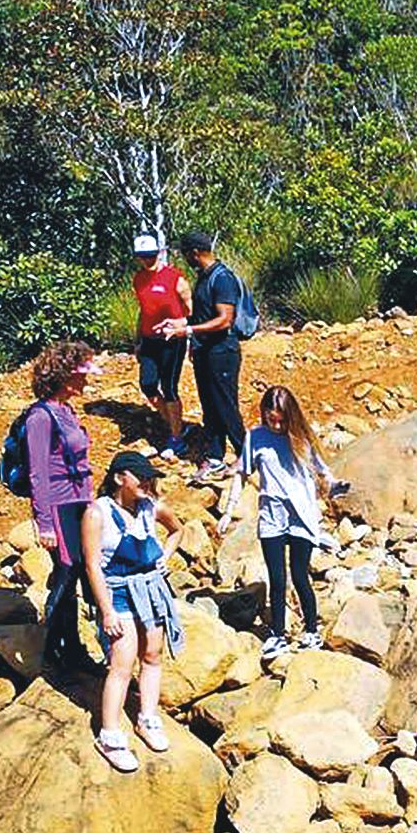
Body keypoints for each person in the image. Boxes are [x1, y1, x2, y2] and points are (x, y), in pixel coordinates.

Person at [81, 451, 184, 773]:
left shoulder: (151, 507)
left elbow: (177, 529)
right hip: (118, 592)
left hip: (150, 588)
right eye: (141, 476)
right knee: (122, 663)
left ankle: (147, 718)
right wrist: (107, 610)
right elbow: (92, 565)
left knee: (153, 654)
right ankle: (110, 734)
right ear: (119, 478)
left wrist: (165, 557)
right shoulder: (97, 513)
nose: (148, 483)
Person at [218, 385, 339, 658]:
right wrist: (228, 511)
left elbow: (323, 471)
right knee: (276, 577)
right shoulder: (255, 437)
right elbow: (241, 473)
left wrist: (334, 485)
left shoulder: (302, 437)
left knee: (299, 575)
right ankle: (278, 634)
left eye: (281, 420)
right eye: (270, 418)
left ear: (290, 417)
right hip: (272, 516)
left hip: (301, 516)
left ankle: (311, 629)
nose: (275, 425)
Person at [23, 341, 100, 675]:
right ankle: (56, 651)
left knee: (82, 571)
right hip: (59, 506)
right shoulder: (40, 417)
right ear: (66, 376)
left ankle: (75, 650)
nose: (86, 382)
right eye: (81, 375)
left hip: (79, 502)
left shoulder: (67, 411)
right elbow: (38, 471)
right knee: (67, 574)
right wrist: (44, 524)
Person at [162, 231, 246, 478]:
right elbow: (204, 315)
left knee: (226, 405)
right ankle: (216, 456)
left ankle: (245, 454)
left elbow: (224, 320)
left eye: (186, 254)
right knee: (210, 406)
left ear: (195, 252)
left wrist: (187, 330)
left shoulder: (222, 279)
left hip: (222, 351)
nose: (185, 258)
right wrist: (186, 331)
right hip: (205, 351)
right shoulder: (204, 277)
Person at [130, 234, 191, 454]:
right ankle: (176, 424)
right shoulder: (138, 279)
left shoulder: (175, 278)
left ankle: (176, 438)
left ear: (158, 253)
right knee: (147, 384)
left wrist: (185, 329)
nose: (147, 260)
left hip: (172, 341)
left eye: (150, 256)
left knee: (169, 387)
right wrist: (138, 340)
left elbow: (191, 311)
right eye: (142, 257)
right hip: (148, 340)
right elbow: (144, 311)